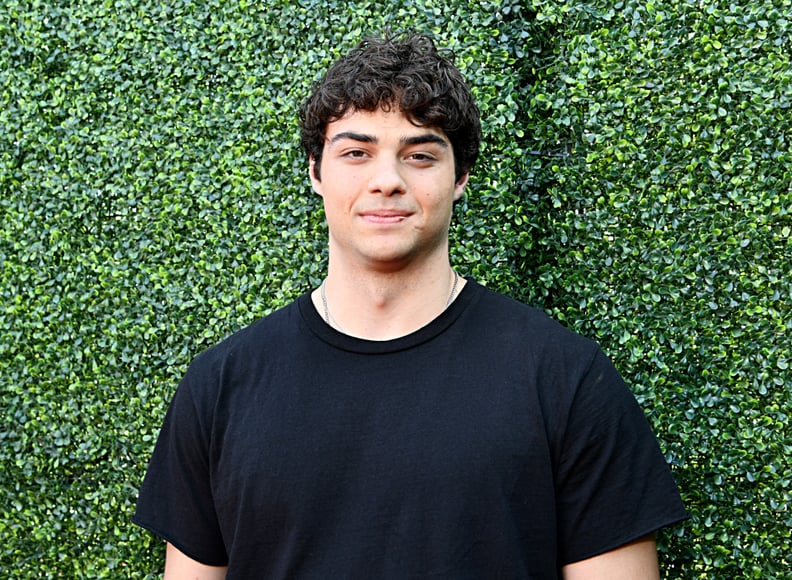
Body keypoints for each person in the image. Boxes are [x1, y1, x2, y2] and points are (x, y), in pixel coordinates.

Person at [133, 32, 687, 579]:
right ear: (315, 171)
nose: (387, 181)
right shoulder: (220, 385)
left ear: (460, 177)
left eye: (420, 155)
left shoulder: (565, 379)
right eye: (356, 152)